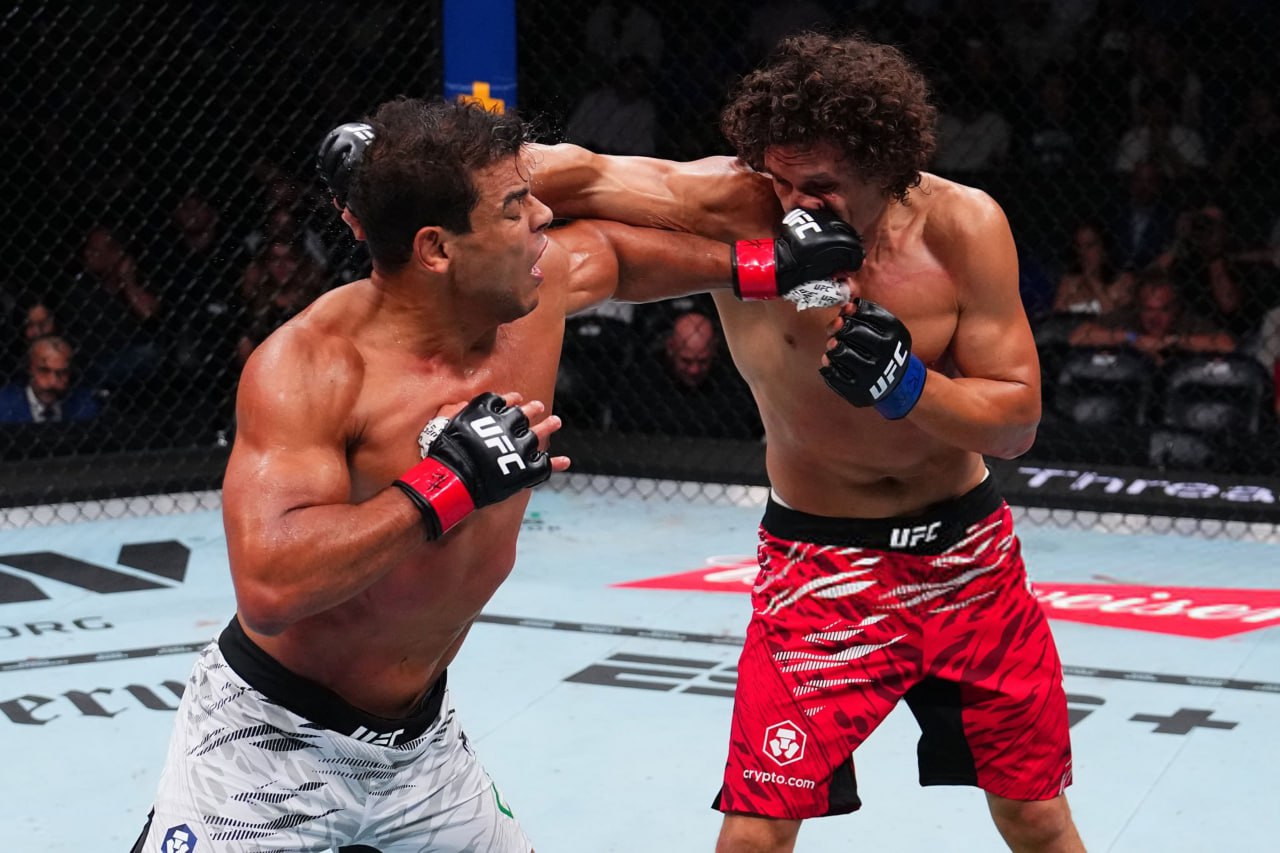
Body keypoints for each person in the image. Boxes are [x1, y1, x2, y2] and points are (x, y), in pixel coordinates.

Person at [129, 96, 855, 853]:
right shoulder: (312, 366)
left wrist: (768, 267)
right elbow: (271, 587)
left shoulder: (530, 299)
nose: (543, 217)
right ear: (437, 249)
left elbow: (616, 255)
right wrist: (447, 483)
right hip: (268, 744)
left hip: (421, 750)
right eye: (514, 207)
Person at [532, 31, 1085, 853]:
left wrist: (909, 385)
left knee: (1035, 815)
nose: (796, 205)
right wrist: (411, 165)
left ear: (887, 168)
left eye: (820, 187)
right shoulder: (741, 202)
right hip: (819, 565)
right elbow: (577, 174)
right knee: (754, 834)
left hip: (966, 559)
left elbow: (1017, 421)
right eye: (782, 180)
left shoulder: (963, 226)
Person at [1068, 268, 1235, 365]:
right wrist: (1132, 338)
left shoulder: (1186, 320)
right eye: (1148, 310)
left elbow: (1227, 345)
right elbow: (1077, 337)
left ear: (1175, 309)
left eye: (1163, 310)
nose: (1155, 318)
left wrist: (1173, 341)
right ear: (1138, 307)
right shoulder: (1128, 316)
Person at [0, 335, 100, 423]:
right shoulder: (3, 406)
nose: (53, 381)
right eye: (44, 371)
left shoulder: (85, 405)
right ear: (29, 369)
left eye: (62, 373)